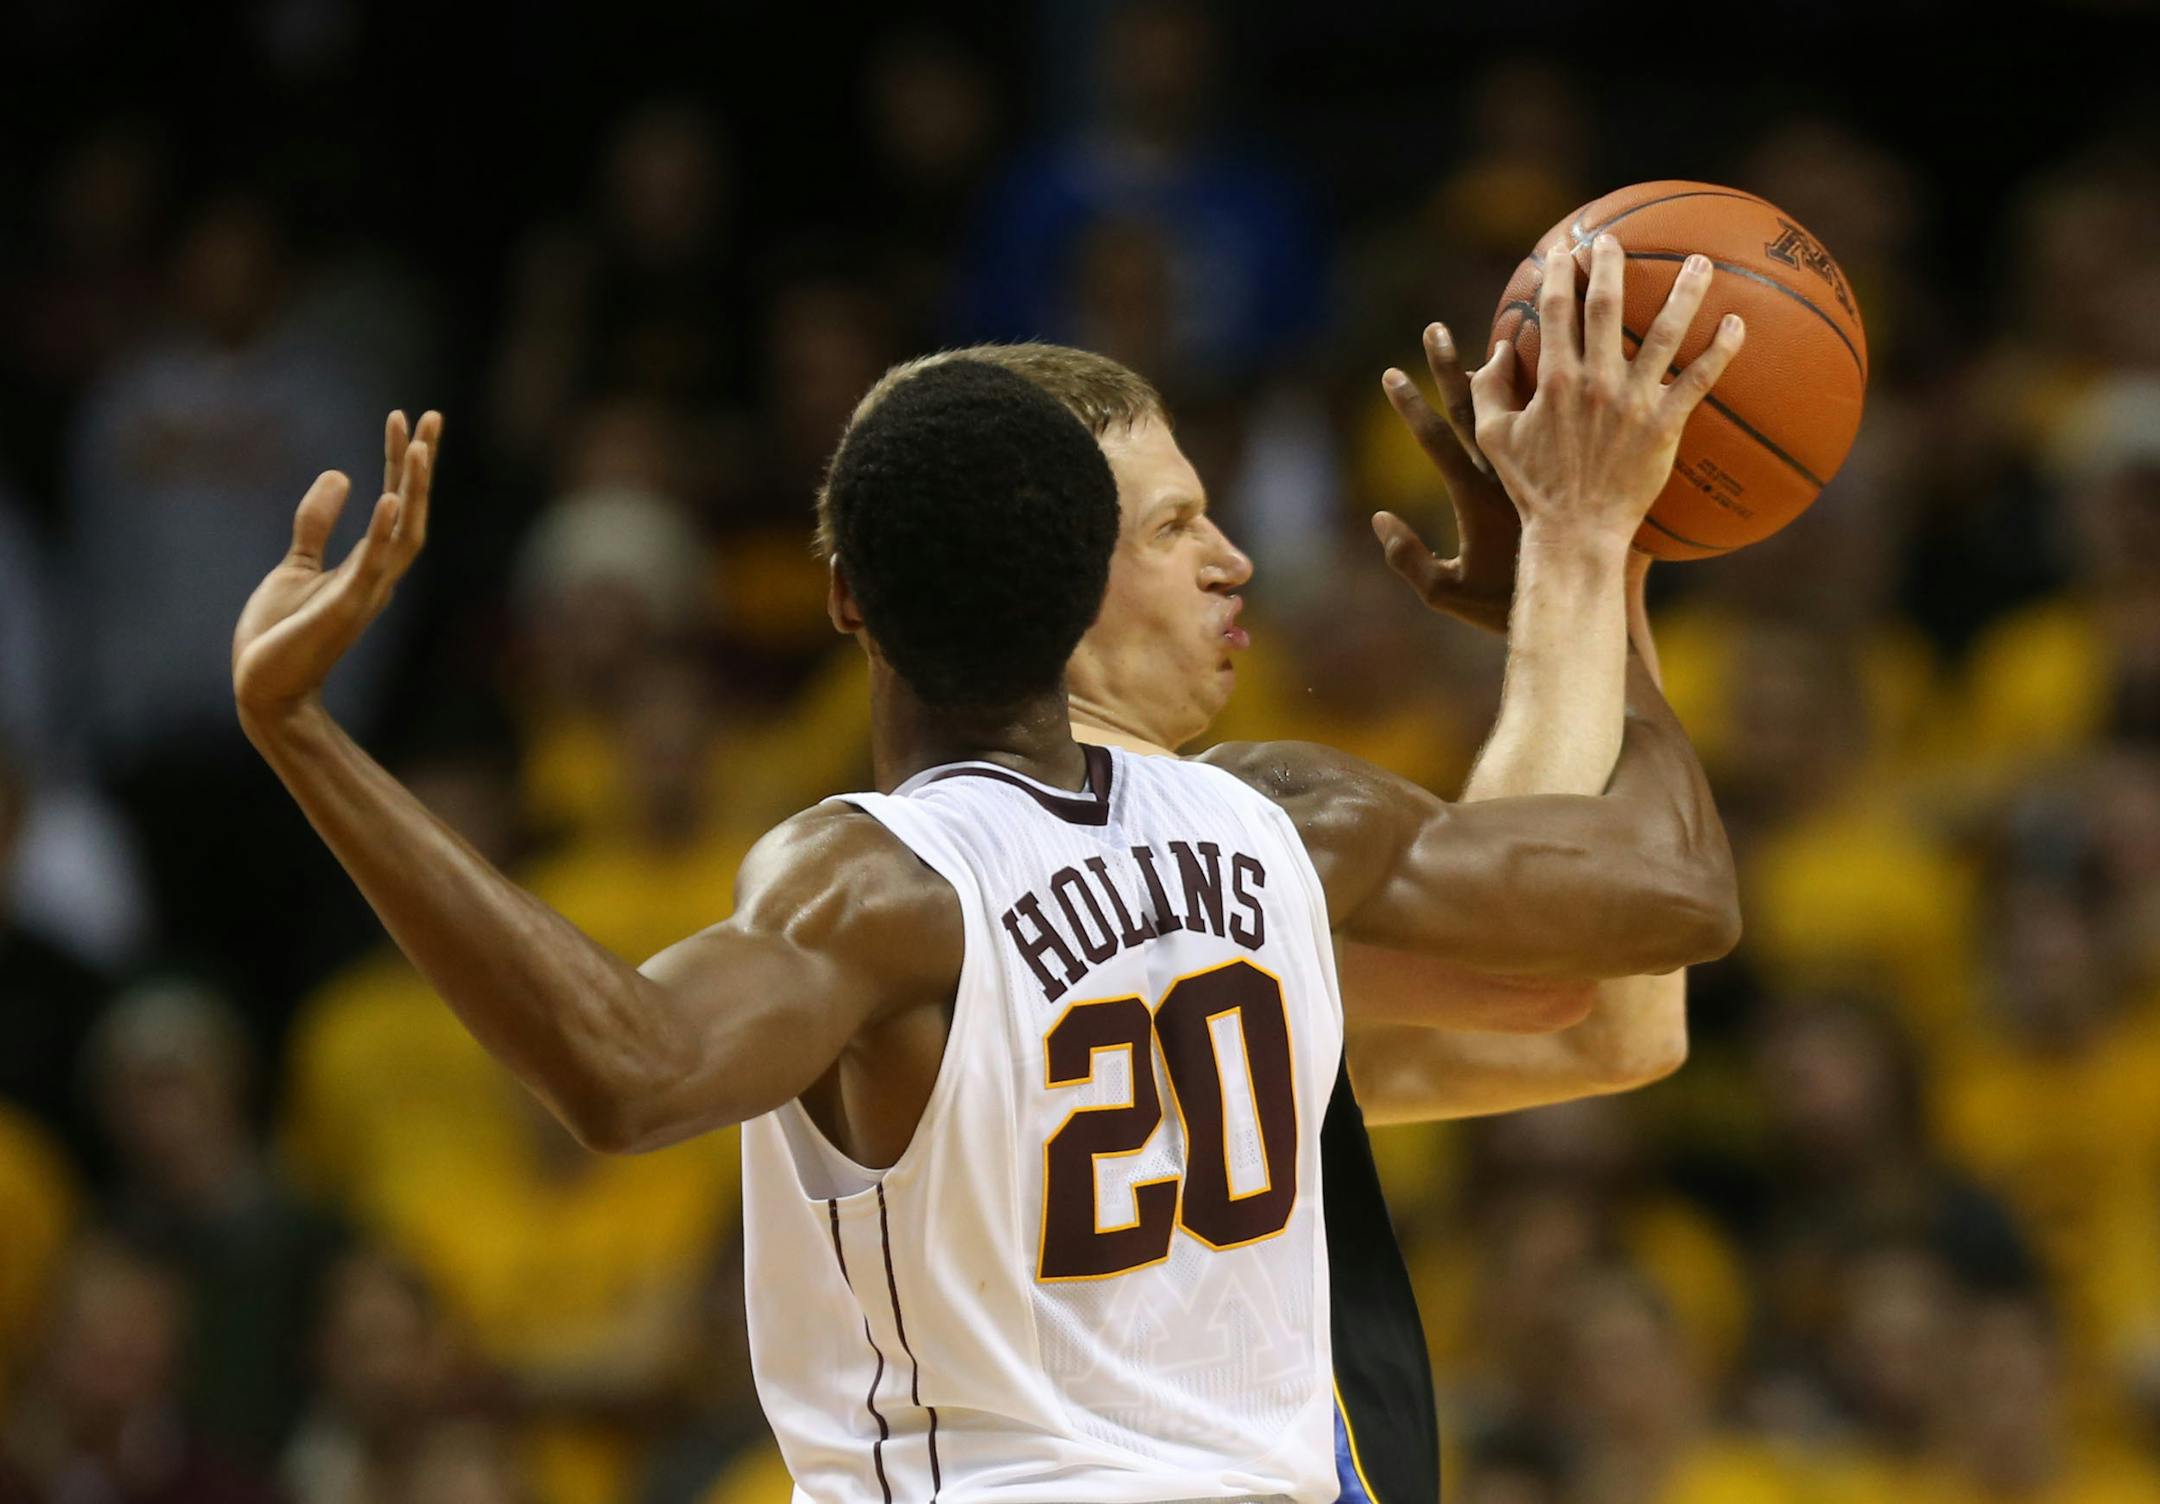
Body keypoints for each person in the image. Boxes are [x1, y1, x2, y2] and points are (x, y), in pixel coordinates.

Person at [230, 236, 1743, 1500]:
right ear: (1072, 559)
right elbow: (1636, 953)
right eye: (1174, 522)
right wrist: (1596, 555)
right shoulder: (1278, 828)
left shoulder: (894, 893)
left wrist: (304, 737)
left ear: (849, 600)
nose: (1238, 557)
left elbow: (624, 1065)